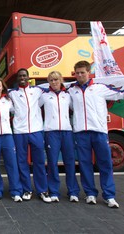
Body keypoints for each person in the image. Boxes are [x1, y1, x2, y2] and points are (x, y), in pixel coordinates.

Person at [68, 60, 124, 208]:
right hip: (81, 133)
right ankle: (90, 194)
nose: (80, 75)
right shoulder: (71, 90)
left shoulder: (100, 88)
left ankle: (109, 195)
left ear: (89, 73)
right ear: (75, 74)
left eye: (83, 72)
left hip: (99, 132)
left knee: (105, 164)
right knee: (84, 164)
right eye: (77, 73)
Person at [8, 68, 51, 203]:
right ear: (17, 79)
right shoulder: (11, 93)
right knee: (22, 162)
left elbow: (58, 86)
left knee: (39, 162)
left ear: (28, 77)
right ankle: (27, 190)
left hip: (36, 131)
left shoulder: (38, 90)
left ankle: (42, 190)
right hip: (20, 132)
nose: (22, 78)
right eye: (20, 76)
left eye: (24, 76)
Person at [39, 71, 80, 202]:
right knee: (52, 163)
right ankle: (54, 192)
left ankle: (73, 191)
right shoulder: (44, 96)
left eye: (56, 79)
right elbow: (32, 107)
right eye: (51, 80)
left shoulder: (67, 95)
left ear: (61, 80)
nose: (54, 82)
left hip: (67, 132)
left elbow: (78, 108)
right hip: (51, 133)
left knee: (70, 163)